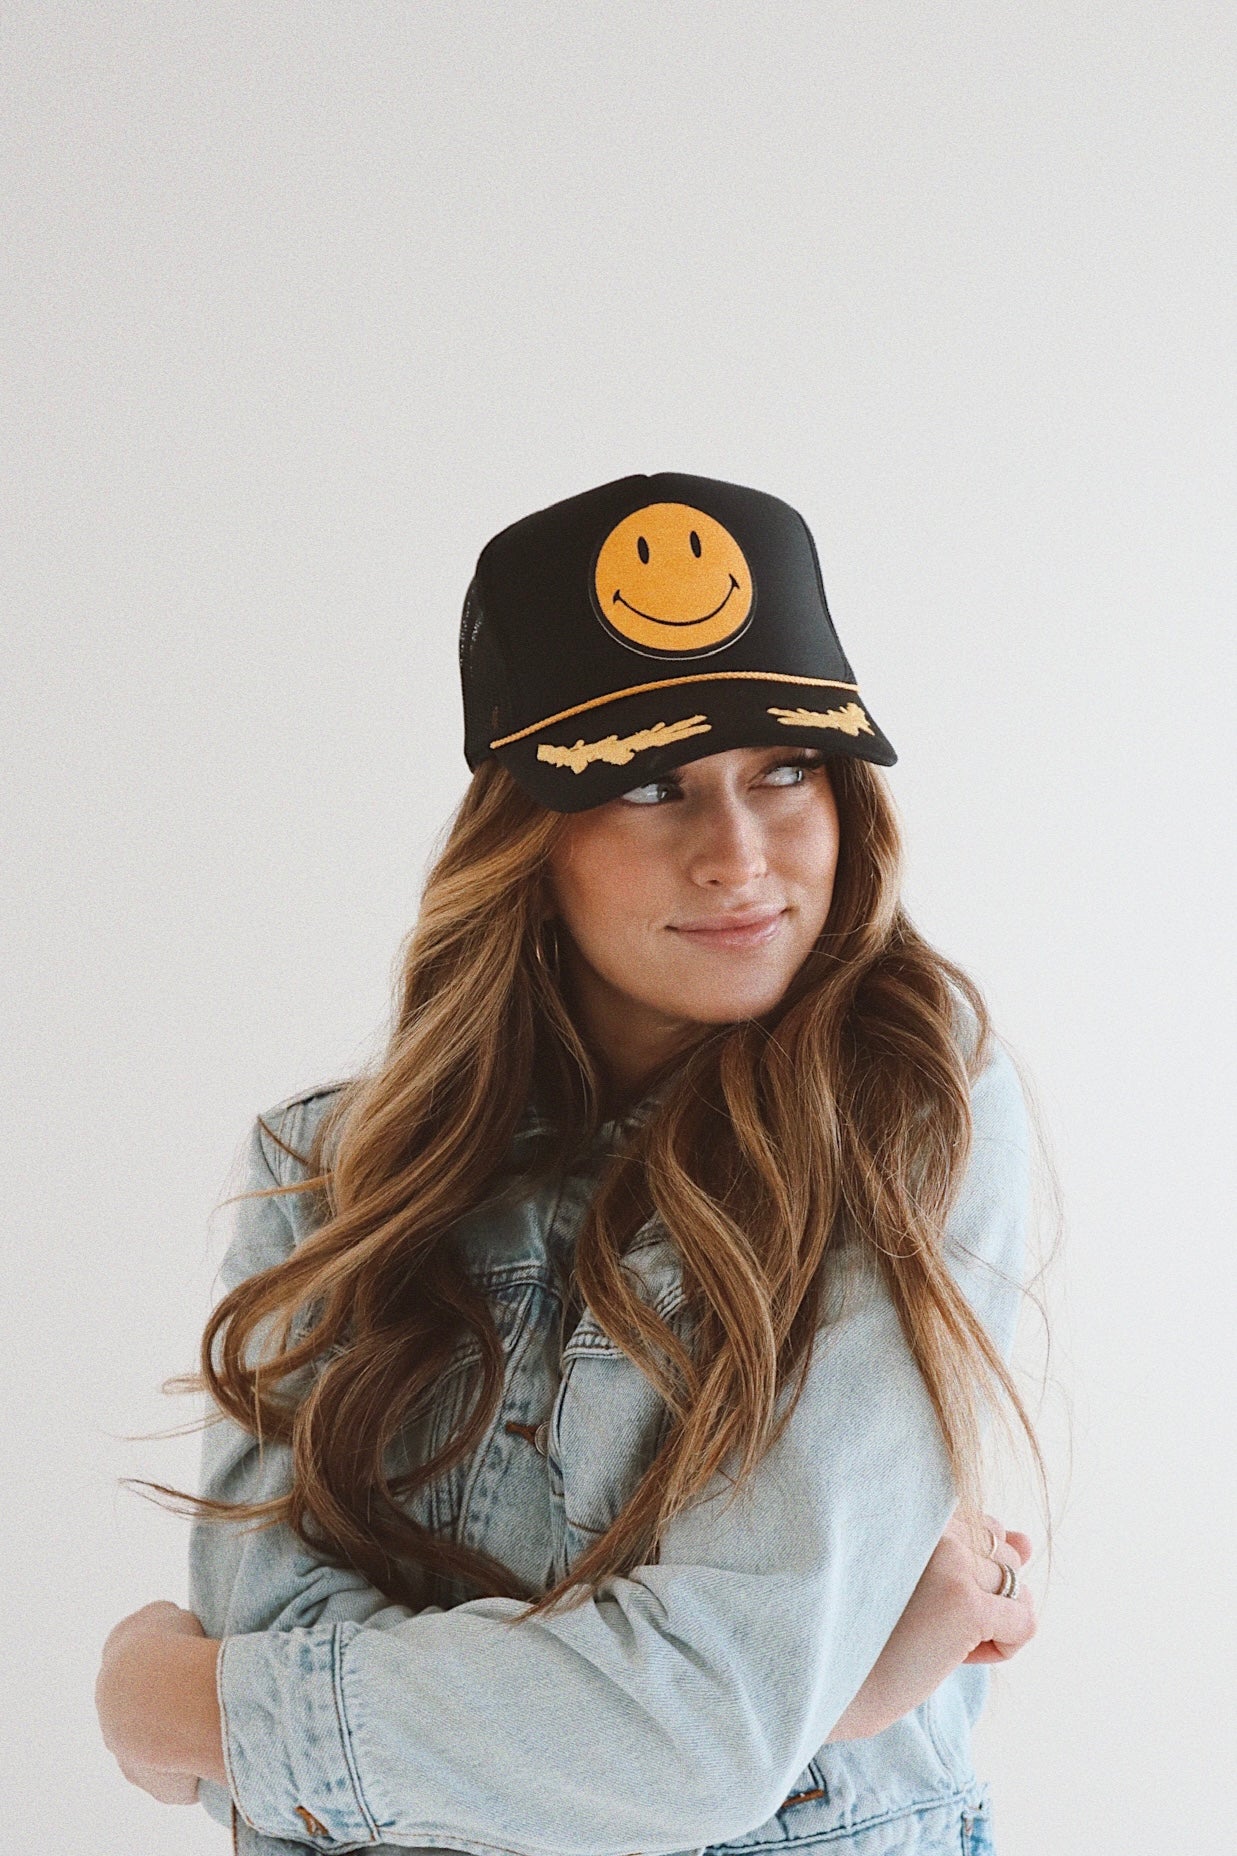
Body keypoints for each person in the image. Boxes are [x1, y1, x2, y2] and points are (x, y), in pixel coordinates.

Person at [95, 471, 1049, 1856]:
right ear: (528, 838)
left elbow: (703, 1729)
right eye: (653, 781)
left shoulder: (904, 1102)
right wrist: (818, 1687)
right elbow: (699, 1722)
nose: (739, 855)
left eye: (786, 769)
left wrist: (207, 1713)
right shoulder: (325, 1166)